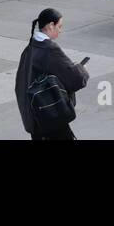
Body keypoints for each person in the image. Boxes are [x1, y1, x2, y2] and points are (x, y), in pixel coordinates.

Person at [15, 8, 89, 140]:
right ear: (50, 26)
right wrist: (81, 69)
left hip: (33, 115)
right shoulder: (49, 49)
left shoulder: (30, 48)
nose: (60, 30)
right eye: (59, 26)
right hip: (50, 114)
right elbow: (75, 79)